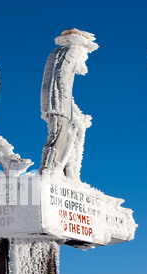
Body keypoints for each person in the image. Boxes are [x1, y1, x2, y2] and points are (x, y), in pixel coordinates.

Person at [40, 29, 98, 178]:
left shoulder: (58, 53)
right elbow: (61, 84)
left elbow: (64, 89)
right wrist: (71, 112)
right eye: (85, 54)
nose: (85, 59)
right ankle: (49, 172)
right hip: (58, 106)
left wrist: (76, 114)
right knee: (59, 138)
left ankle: (62, 173)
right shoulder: (70, 53)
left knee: (65, 138)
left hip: (58, 103)